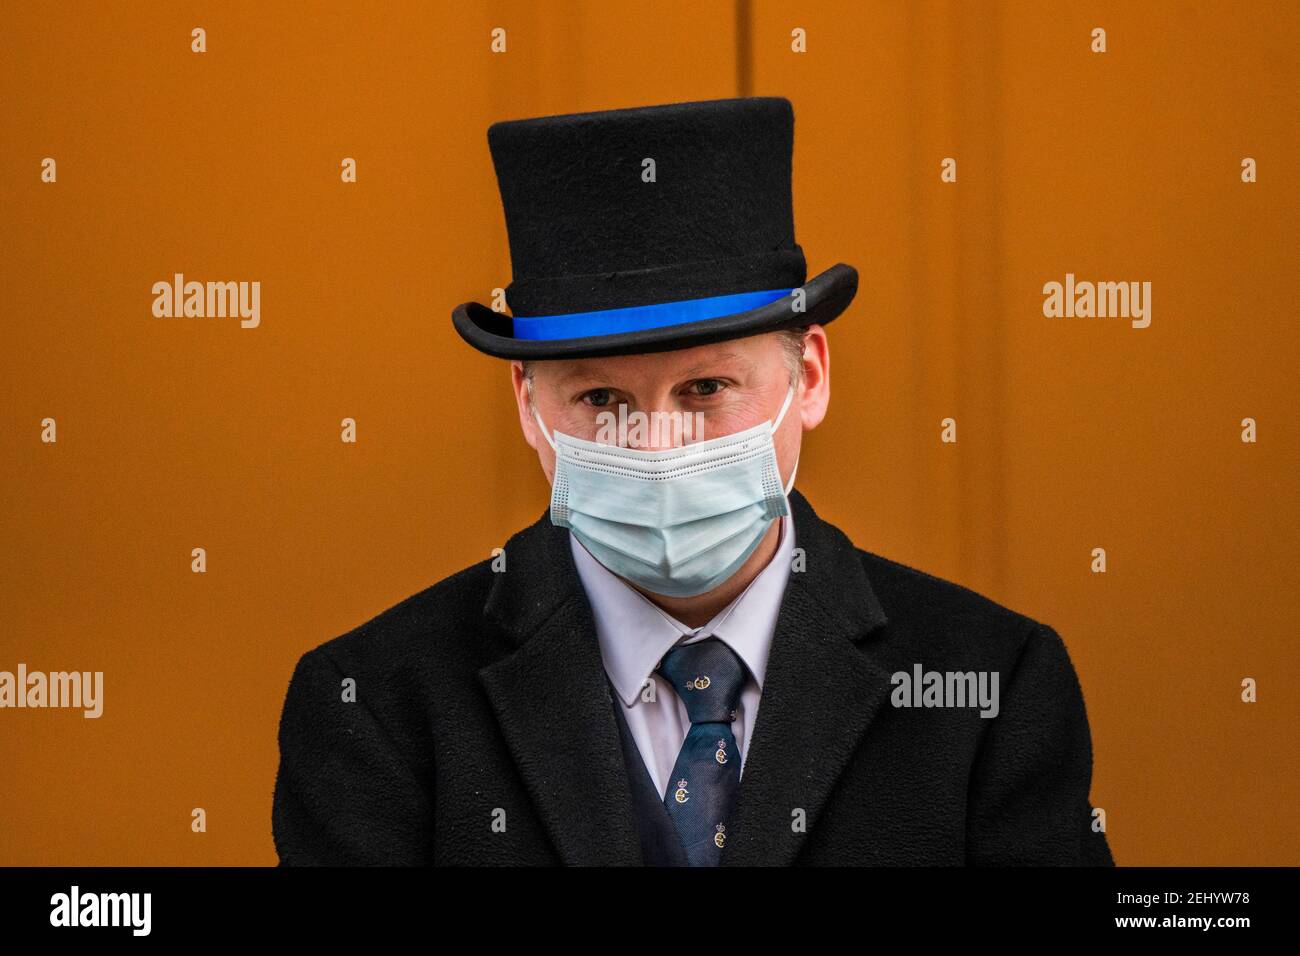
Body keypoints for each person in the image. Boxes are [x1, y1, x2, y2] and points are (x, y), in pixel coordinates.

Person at [272, 96, 1114, 866]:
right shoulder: (375, 707)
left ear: (809, 377)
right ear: (528, 407)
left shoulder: (991, 686)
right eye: (601, 398)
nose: (658, 443)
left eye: (706, 389)